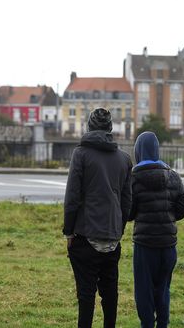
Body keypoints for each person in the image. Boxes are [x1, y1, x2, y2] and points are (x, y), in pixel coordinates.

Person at [63, 108, 133, 328]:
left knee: (86, 295)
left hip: (85, 233)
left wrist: (69, 231)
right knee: (110, 294)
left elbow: (72, 197)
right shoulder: (124, 159)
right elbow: (126, 201)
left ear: (89, 127)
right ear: (110, 129)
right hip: (112, 236)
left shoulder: (81, 154)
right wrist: (118, 229)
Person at [129, 131, 184, 328]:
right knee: (163, 288)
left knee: (143, 290)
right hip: (168, 244)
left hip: (145, 244)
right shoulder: (173, 176)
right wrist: (169, 217)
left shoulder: (134, 178)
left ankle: (147, 324)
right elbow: (183, 208)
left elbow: (129, 211)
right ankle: (163, 324)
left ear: (138, 151)